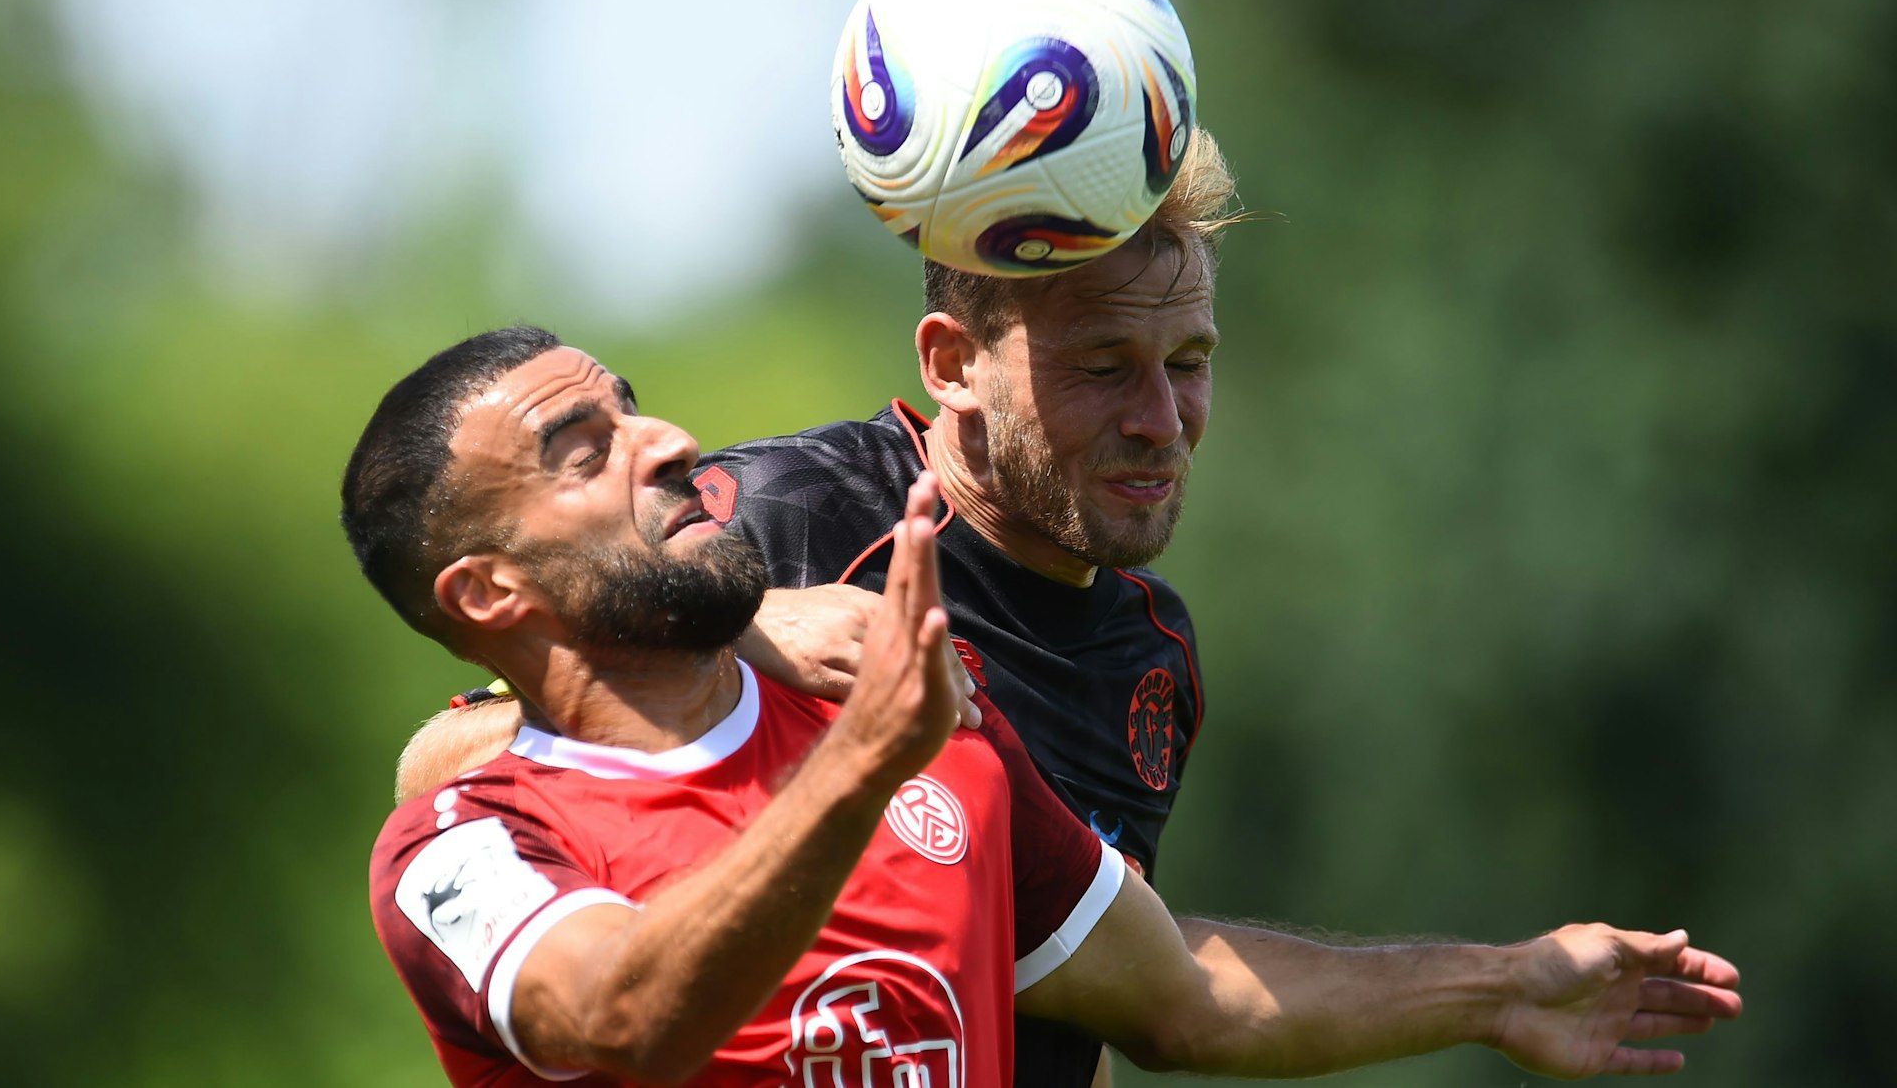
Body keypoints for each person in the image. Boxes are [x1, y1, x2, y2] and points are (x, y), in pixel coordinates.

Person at [345, 329, 1741, 1087]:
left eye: (638, 408)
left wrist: (1503, 988)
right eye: (584, 451)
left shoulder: (936, 741)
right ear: (484, 594)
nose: (665, 441)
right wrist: (867, 757)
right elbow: (631, 1011)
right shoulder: (460, 852)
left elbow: (1181, 995)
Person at [395, 134, 1237, 1087]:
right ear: (956, 365)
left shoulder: (1153, 649)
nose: (1162, 421)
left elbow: (1096, 989)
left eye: (1190, 362)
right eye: (1102, 365)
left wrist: (1449, 983)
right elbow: (450, 766)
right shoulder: (765, 517)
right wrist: (742, 635)